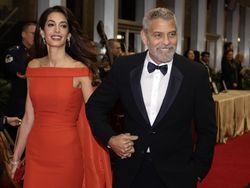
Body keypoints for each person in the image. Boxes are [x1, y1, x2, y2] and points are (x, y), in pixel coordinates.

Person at [86, 7, 217, 188]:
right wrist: (110, 139)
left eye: (171, 34)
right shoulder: (124, 67)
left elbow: (207, 129)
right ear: (144, 37)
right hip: (130, 172)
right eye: (158, 35)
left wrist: (197, 172)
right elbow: (94, 107)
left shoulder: (195, 73)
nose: (167, 42)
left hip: (177, 176)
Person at [11, 6, 112, 188]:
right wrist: (16, 158)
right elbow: (28, 117)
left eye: (63, 26)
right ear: (42, 32)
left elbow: (94, 116)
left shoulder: (80, 70)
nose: (57, 30)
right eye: (51, 25)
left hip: (67, 155)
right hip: (36, 154)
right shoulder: (33, 67)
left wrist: (112, 139)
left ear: (69, 34)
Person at [4, 21, 36, 141]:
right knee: (18, 140)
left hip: (37, 104)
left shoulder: (40, 53)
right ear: (23, 34)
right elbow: (16, 70)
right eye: (33, 33)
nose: (35, 36)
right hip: (19, 104)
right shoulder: (14, 52)